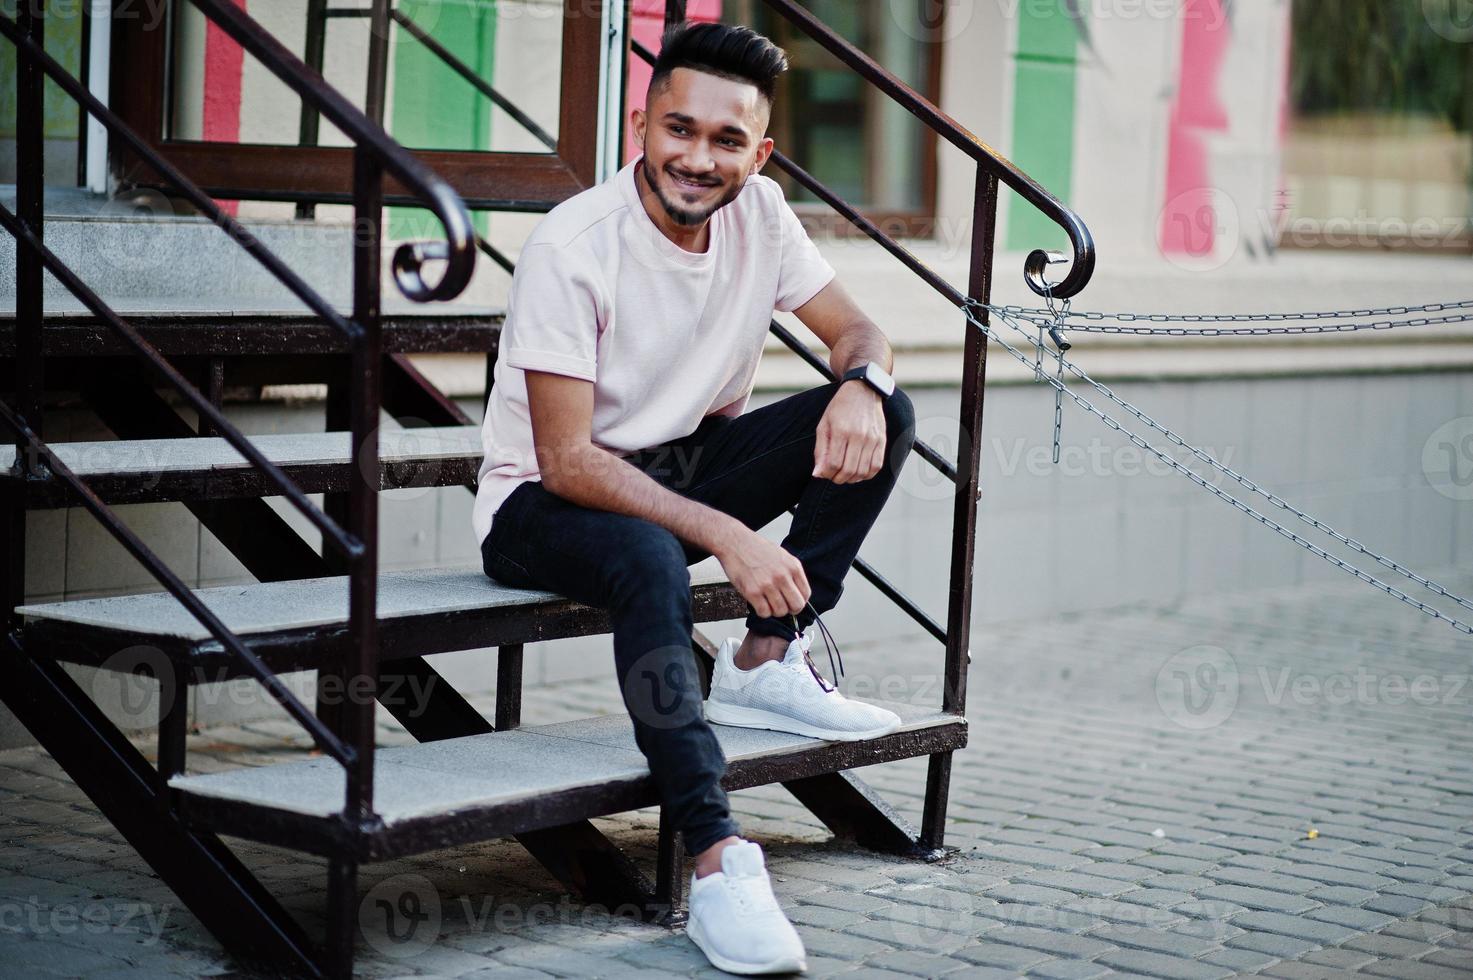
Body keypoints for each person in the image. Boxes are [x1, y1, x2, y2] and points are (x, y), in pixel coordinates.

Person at [475, 20, 916, 974]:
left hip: (679, 465)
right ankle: (718, 860)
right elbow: (565, 461)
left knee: (885, 413)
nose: (698, 159)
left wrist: (863, 385)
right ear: (642, 125)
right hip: (540, 507)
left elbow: (860, 331)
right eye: (680, 130)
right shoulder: (574, 244)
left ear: (759, 154)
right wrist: (725, 534)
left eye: (727, 142)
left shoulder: (760, 214)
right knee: (643, 554)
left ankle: (765, 660)